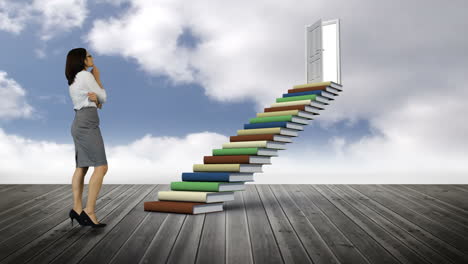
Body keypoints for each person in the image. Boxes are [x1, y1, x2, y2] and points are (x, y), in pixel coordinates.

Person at [65, 48, 108, 228]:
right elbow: (103, 97)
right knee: (101, 167)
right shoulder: (85, 76)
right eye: (89, 56)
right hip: (87, 124)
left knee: (82, 167)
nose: (92, 58)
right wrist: (97, 77)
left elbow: (97, 103)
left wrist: (96, 100)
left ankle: (77, 209)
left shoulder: (74, 78)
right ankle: (89, 211)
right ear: (82, 59)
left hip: (79, 122)